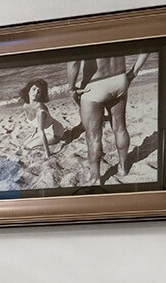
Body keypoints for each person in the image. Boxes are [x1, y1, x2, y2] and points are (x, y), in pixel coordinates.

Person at [64, 52, 149, 184]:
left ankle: (95, 178)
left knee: (93, 137)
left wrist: (71, 88)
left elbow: (74, 61)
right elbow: (147, 47)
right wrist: (134, 72)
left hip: (94, 85)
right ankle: (123, 168)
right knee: (120, 128)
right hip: (119, 79)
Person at [19, 77, 65, 153]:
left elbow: (41, 131)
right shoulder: (25, 105)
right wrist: (34, 132)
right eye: (34, 89)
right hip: (45, 130)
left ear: (41, 94)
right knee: (24, 144)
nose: (35, 93)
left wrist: (47, 153)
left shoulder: (41, 110)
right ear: (28, 90)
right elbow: (36, 123)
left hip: (55, 132)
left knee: (28, 146)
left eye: (39, 91)